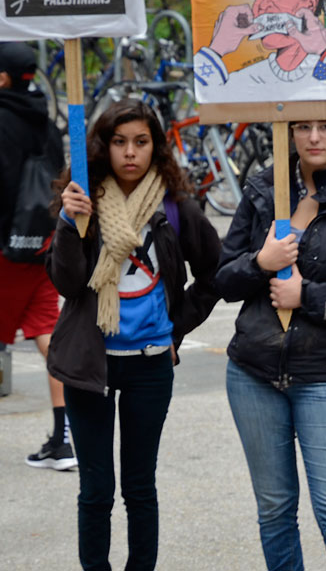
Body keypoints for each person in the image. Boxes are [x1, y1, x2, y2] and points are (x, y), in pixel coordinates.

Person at [215, 119, 326, 570]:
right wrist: (261, 262)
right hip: (253, 372)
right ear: (287, 132)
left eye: (325, 126)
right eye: (302, 127)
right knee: (275, 511)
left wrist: (308, 296)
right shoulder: (263, 188)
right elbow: (223, 278)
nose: (314, 137)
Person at [47, 99, 221, 571]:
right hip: (91, 364)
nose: (130, 153)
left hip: (149, 362)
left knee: (140, 486)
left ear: (155, 148)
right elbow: (66, 282)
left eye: (141, 142)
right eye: (120, 142)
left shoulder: (173, 206)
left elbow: (213, 270)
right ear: (103, 147)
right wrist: (68, 222)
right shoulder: (83, 200)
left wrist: (176, 324)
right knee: (96, 487)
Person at [0, 42, 72, 470]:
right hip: (42, 244)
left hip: (5, 247)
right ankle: (65, 439)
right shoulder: (47, 121)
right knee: (48, 333)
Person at [194, 0, 326, 102]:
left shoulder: (324, 72)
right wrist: (217, 49)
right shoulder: (250, 78)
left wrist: (325, 50)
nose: (264, 5)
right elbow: (208, 100)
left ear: (310, 4)